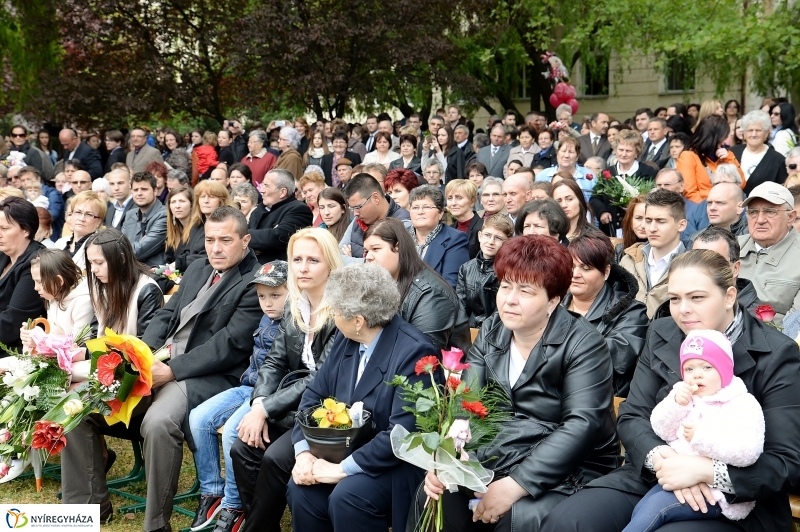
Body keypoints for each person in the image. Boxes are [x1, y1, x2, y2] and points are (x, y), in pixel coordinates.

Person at [541, 249, 800, 532]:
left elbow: (786, 461)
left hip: (737, 499)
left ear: (729, 297)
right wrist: (665, 460)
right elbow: (633, 415)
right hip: (657, 473)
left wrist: (706, 472)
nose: (683, 309)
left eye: (697, 297)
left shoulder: (776, 352)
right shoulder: (662, 332)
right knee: (568, 521)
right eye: (675, 298)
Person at [71, 207, 262, 532]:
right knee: (80, 407)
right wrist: (141, 357)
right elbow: (165, 316)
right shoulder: (200, 267)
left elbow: (229, 345)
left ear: (245, 241)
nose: (215, 248)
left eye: (225, 240)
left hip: (207, 375)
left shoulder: (253, 281)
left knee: (159, 422)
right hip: (160, 362)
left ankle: (156, 524)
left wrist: (170, 370)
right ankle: (87, 509)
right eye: (210, 239)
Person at [415, 234, 618, 532]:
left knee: (518, 517)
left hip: (571, 465)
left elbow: (581, 424)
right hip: (503, 451)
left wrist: (517, 484)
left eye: (526, 290)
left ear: (553, 300)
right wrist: (449, 458)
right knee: (435, 495)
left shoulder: (584, 344)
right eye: (505, 286)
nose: (510, 299)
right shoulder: (492, 329)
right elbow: (467, 401)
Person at [286, 263, 438, 532]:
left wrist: (341, 469)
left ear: (358, 320)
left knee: (348, 496)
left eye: (335, 311)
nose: (332, 316)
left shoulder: (414, 352)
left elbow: (402, 434)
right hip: (346, 449)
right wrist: (304, 454)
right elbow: (313, 396)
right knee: (302, 489)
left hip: (393, 464)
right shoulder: (348, 339)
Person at [229, 229, 343, 532]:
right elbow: (274, 361)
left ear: (331, 264)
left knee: (274, 457)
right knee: (243, 449)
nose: (303, 267)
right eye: (297, 259)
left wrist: (266, 410)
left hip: (326, 410)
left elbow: (321, 377)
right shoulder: (296, 304)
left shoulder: (341, 311)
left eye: (313, 260)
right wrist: (259, 404)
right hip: (290, 403)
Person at [622, 329, 765, 531]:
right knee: (642, 508)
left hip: (718, 494)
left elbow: (748, 451)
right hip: (678, 479)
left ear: (724, 370)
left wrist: (703, 438)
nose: (697, 374)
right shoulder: (686, 397)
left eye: (707, 367)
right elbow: (662, 430)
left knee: (656, 508)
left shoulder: (741, 403)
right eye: (689, 369)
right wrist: (676, 404)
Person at [188, 260, 290, 532]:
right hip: (247, 386)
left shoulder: (294, 323)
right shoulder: (266, 317)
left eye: (276, 295)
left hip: (268, 395)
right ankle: (212, 491)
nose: (267, 303)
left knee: (234, 430)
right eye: (262, 296)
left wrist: (262, 403)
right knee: (198, 418)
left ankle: (234, 505)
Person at [363, 217, 469, 351]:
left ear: (398, 247)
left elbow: (422, 354)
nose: (368, 257)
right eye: (366, 251)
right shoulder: (381, 283)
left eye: (375, 249)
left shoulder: (432, 294)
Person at [563, 232, 648, 397]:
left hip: (601, 399)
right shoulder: (552, 303)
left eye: (586, 268)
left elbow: (616, 357)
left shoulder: (631, 311)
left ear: (606, 272)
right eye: (571, 266)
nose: (575, 274)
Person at [738, 181, 800, 326]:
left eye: (770, 212)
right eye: (753, 212)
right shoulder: (729, 247)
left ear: (791, 217)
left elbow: (794, 326)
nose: (760, 220)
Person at [619, 189, 688, 317]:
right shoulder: (628, 260)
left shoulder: (692, 265)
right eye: (648, 220)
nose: (651, 228)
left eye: (661, 221)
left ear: (681, 225)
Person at [0, 197, 47, 353]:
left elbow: (10, 324)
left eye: (4, 228)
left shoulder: (36, 263)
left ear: (26, 230)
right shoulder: (3, 255)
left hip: (15, 352)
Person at [18, 249, 93, 345]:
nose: (35, 288)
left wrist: (40, 341)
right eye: (34, 281)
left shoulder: (83, 302)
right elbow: (52, 335)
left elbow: (78, 343)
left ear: (59, 281)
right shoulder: (53, 297)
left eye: (40, 282)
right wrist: (32, 334)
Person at [591, 130, 657, 237]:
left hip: (638, 231)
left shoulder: (648, 172)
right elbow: (595, 198)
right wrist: (602, 212)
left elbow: (653, 199)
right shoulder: (607, 173)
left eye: (628, 151)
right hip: (610, 230)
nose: (623, 154)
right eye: (621, 150)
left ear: (637, 152)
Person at [457, 213, 513, 327]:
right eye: (487, 235)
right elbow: (461, 307)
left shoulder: (509, 271)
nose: (491, 242)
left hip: (497, 328)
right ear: (480, 236)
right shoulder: (466, 269)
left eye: (498, 238)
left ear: (508, 242)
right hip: (470, 329)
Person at [408, 185, 469, 287]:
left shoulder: (456, 239)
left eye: (426, 207)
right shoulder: (400, 236)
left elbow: (449, 286)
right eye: (415, 207)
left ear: (440, 213)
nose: (420, 212)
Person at [339, 173, 411, 262]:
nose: (355, 213)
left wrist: (353, 261)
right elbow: (337, 258)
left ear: (375, 198)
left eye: (358, 207)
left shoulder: (404, 224)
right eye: (352, 208)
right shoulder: (357, 221)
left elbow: (391, 265)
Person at [249, 169, 313, 264]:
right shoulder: (257, 210)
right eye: (262, 185)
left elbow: (274, 238)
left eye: (266, 186)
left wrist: (245, 235)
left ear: (282, 192)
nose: (261, 190)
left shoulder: (299, 209)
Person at [677, 115, 746, 202]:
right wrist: (716, 202)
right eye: (723, 137)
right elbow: (689, 193)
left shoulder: (726, 155)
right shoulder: (688, 156)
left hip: (728, 205)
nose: (724, 141)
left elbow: (741, 184)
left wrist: (729, 158)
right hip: (703, 206)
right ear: (714, 137)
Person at [731, 110, 788, 194]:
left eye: (758, 130)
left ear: (766, 133)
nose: (754, 134)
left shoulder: (778, 160)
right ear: (744, 133)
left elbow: (782, 191)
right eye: (750, 130)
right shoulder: (732, 153)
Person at [121, 171, 168, 267]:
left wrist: (127, 247)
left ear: (155, 191)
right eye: (135, 190)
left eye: (144, 189)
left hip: (153, 272)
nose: (139, 193)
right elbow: (119, 245)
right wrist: (138, 243)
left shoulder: (164, 215)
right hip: (129, 270)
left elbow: (138, 252)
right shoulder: (130, 214)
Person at [53, 191, 106, 271]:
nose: (81, 219)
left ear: (99, 221)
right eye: (78, 212)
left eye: (89, 214)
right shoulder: (60, 243)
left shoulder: (100, 248)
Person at [536, 137, 595, 202]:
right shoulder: (542, 176)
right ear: (557, 153)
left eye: (571, 152)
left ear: (577, 156)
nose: (566, 155)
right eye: (563, 151)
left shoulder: (589, 176)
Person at [164, 186, 206, 274]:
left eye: (182, 201)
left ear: (191, 205)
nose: (177, 206)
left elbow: (202, 258)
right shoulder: (174, 231)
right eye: (173, 202)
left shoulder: (201, 228)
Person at [17, 165, 64, 238]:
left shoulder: (52, 193)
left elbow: (53, 214)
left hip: (50, 235)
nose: (26, 182)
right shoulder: (22, 194)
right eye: (23, 180)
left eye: (28, 179)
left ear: (38, 179)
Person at [446, 179, 482, 258]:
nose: (453, 203)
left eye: (459, 198)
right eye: (450, 198)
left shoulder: (482, 227)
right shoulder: (449, 229)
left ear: (472, 201)